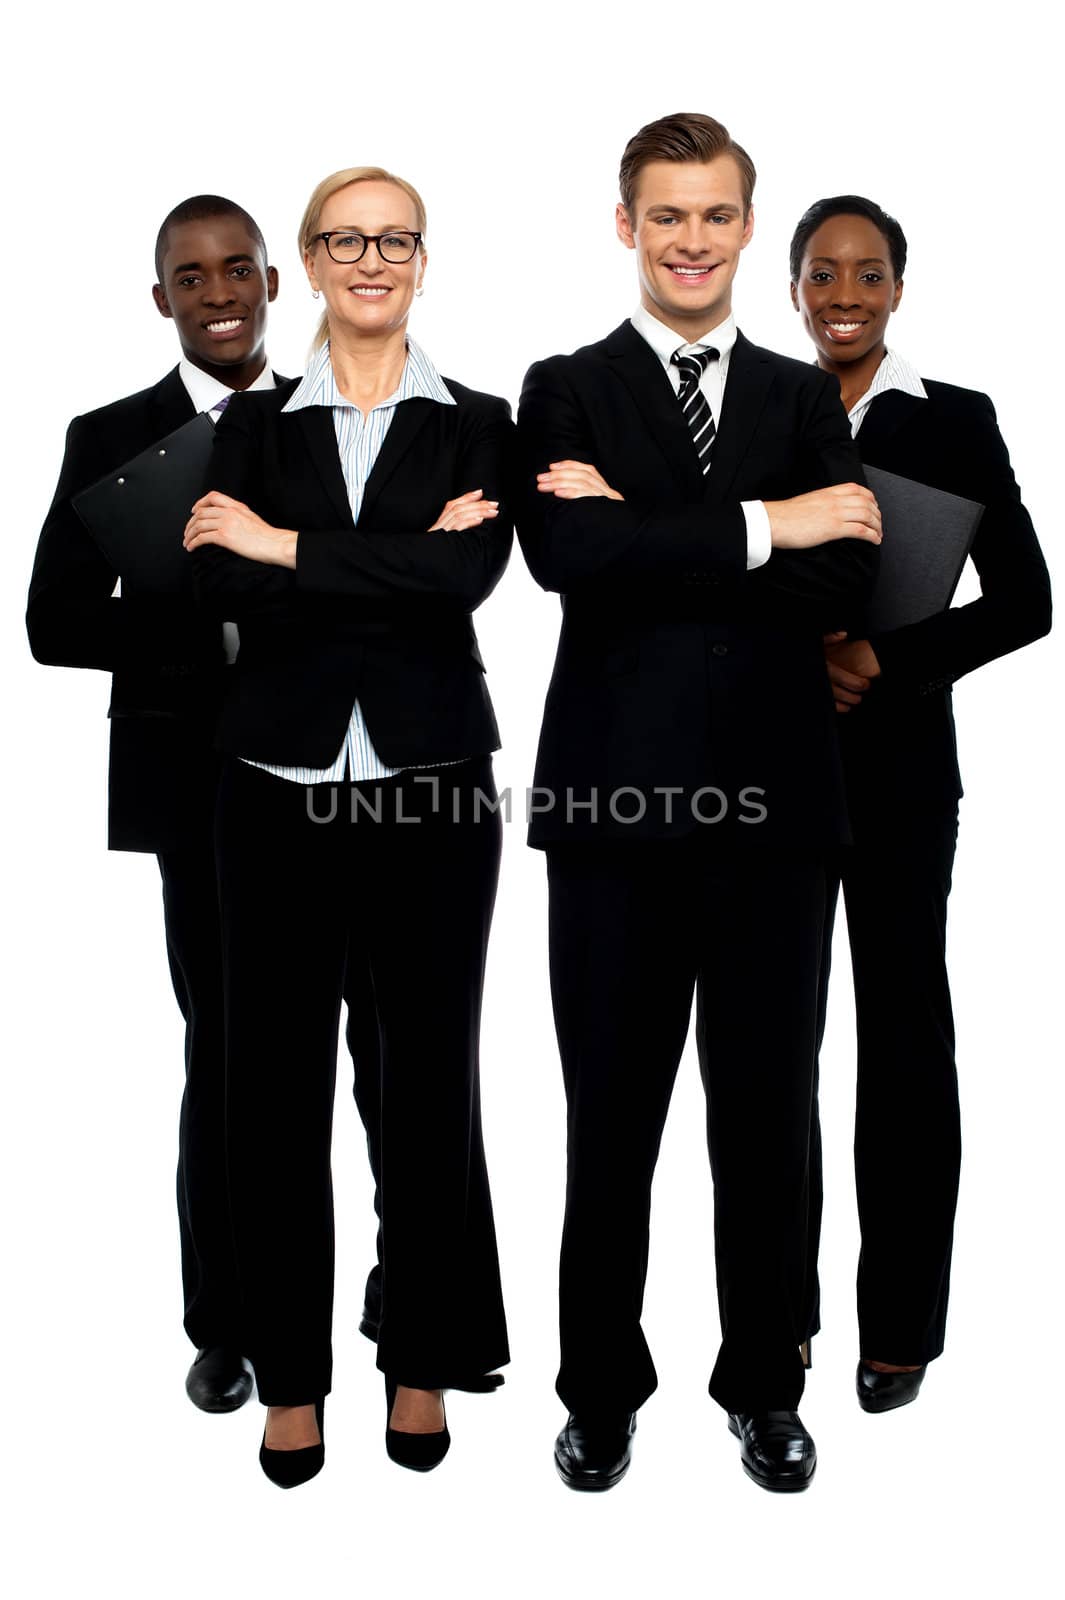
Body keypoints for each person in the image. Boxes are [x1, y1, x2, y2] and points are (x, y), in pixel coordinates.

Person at [515, 112, 882, 1495]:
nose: (689, 240)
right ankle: (598, 1391)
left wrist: (653, 534)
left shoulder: (801, 399)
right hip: (612, 817)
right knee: (608, 1120)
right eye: (664, 216)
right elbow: (565, 555)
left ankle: (766, 1384)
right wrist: (763, 524)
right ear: (627, 226)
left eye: (715, 216)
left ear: (745, 227)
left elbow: (840, 581)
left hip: (777, 817)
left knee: (768, 1116)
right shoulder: (562, 389)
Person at [183, 165, 512, 1488]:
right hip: (272, 786)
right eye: (345, 239)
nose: (371, 259)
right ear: (309, 263)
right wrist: (360, 564)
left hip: (435, 787)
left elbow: (466, 577)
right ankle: (294, 1375)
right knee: (272, 1094)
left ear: (421, 260)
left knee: (426, 1086)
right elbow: (215, 569)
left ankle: (420, 1358)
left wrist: (289, 552)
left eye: (396, 239)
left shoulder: (477, 421)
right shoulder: (252, 427)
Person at [789, 195, 1051, 1411]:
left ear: (899, 287)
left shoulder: (956, 422)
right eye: (824, 272)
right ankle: (774, 1317)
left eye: (869, 273)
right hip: (770, 766)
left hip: (897, 772)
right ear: (794, 287)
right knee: (772, 1049)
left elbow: (1025, 601)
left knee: (902, 1041)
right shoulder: (757, 408)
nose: (846, 293)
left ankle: (900, 1322)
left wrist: (885, 660)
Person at [26, 196, 286, 1413]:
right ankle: (228, 1318)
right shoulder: (111, 434)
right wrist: (207, 629)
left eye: (238, 268)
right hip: (195, 777)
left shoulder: (331, 413)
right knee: (226, 1047)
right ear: (163, 299)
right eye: (193, 276)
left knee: (382, 1044)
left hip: (344, 774)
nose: (218, 291)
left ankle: (397, 1290)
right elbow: (53, 621)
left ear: (274, 280)